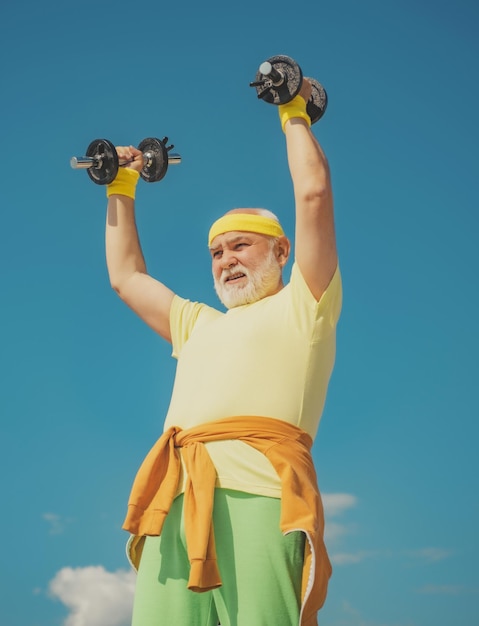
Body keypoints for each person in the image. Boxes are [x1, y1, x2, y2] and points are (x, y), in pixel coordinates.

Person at [104, 77, 342, 626]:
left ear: (282, 251)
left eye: (240, 245)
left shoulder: (305, 305)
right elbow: (126, 276)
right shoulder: (197, 324)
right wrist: (121, 184)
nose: (226, 260)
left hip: (262, 502)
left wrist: (293, 110)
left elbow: (313, 193)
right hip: (175, 504)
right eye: (216, 252)